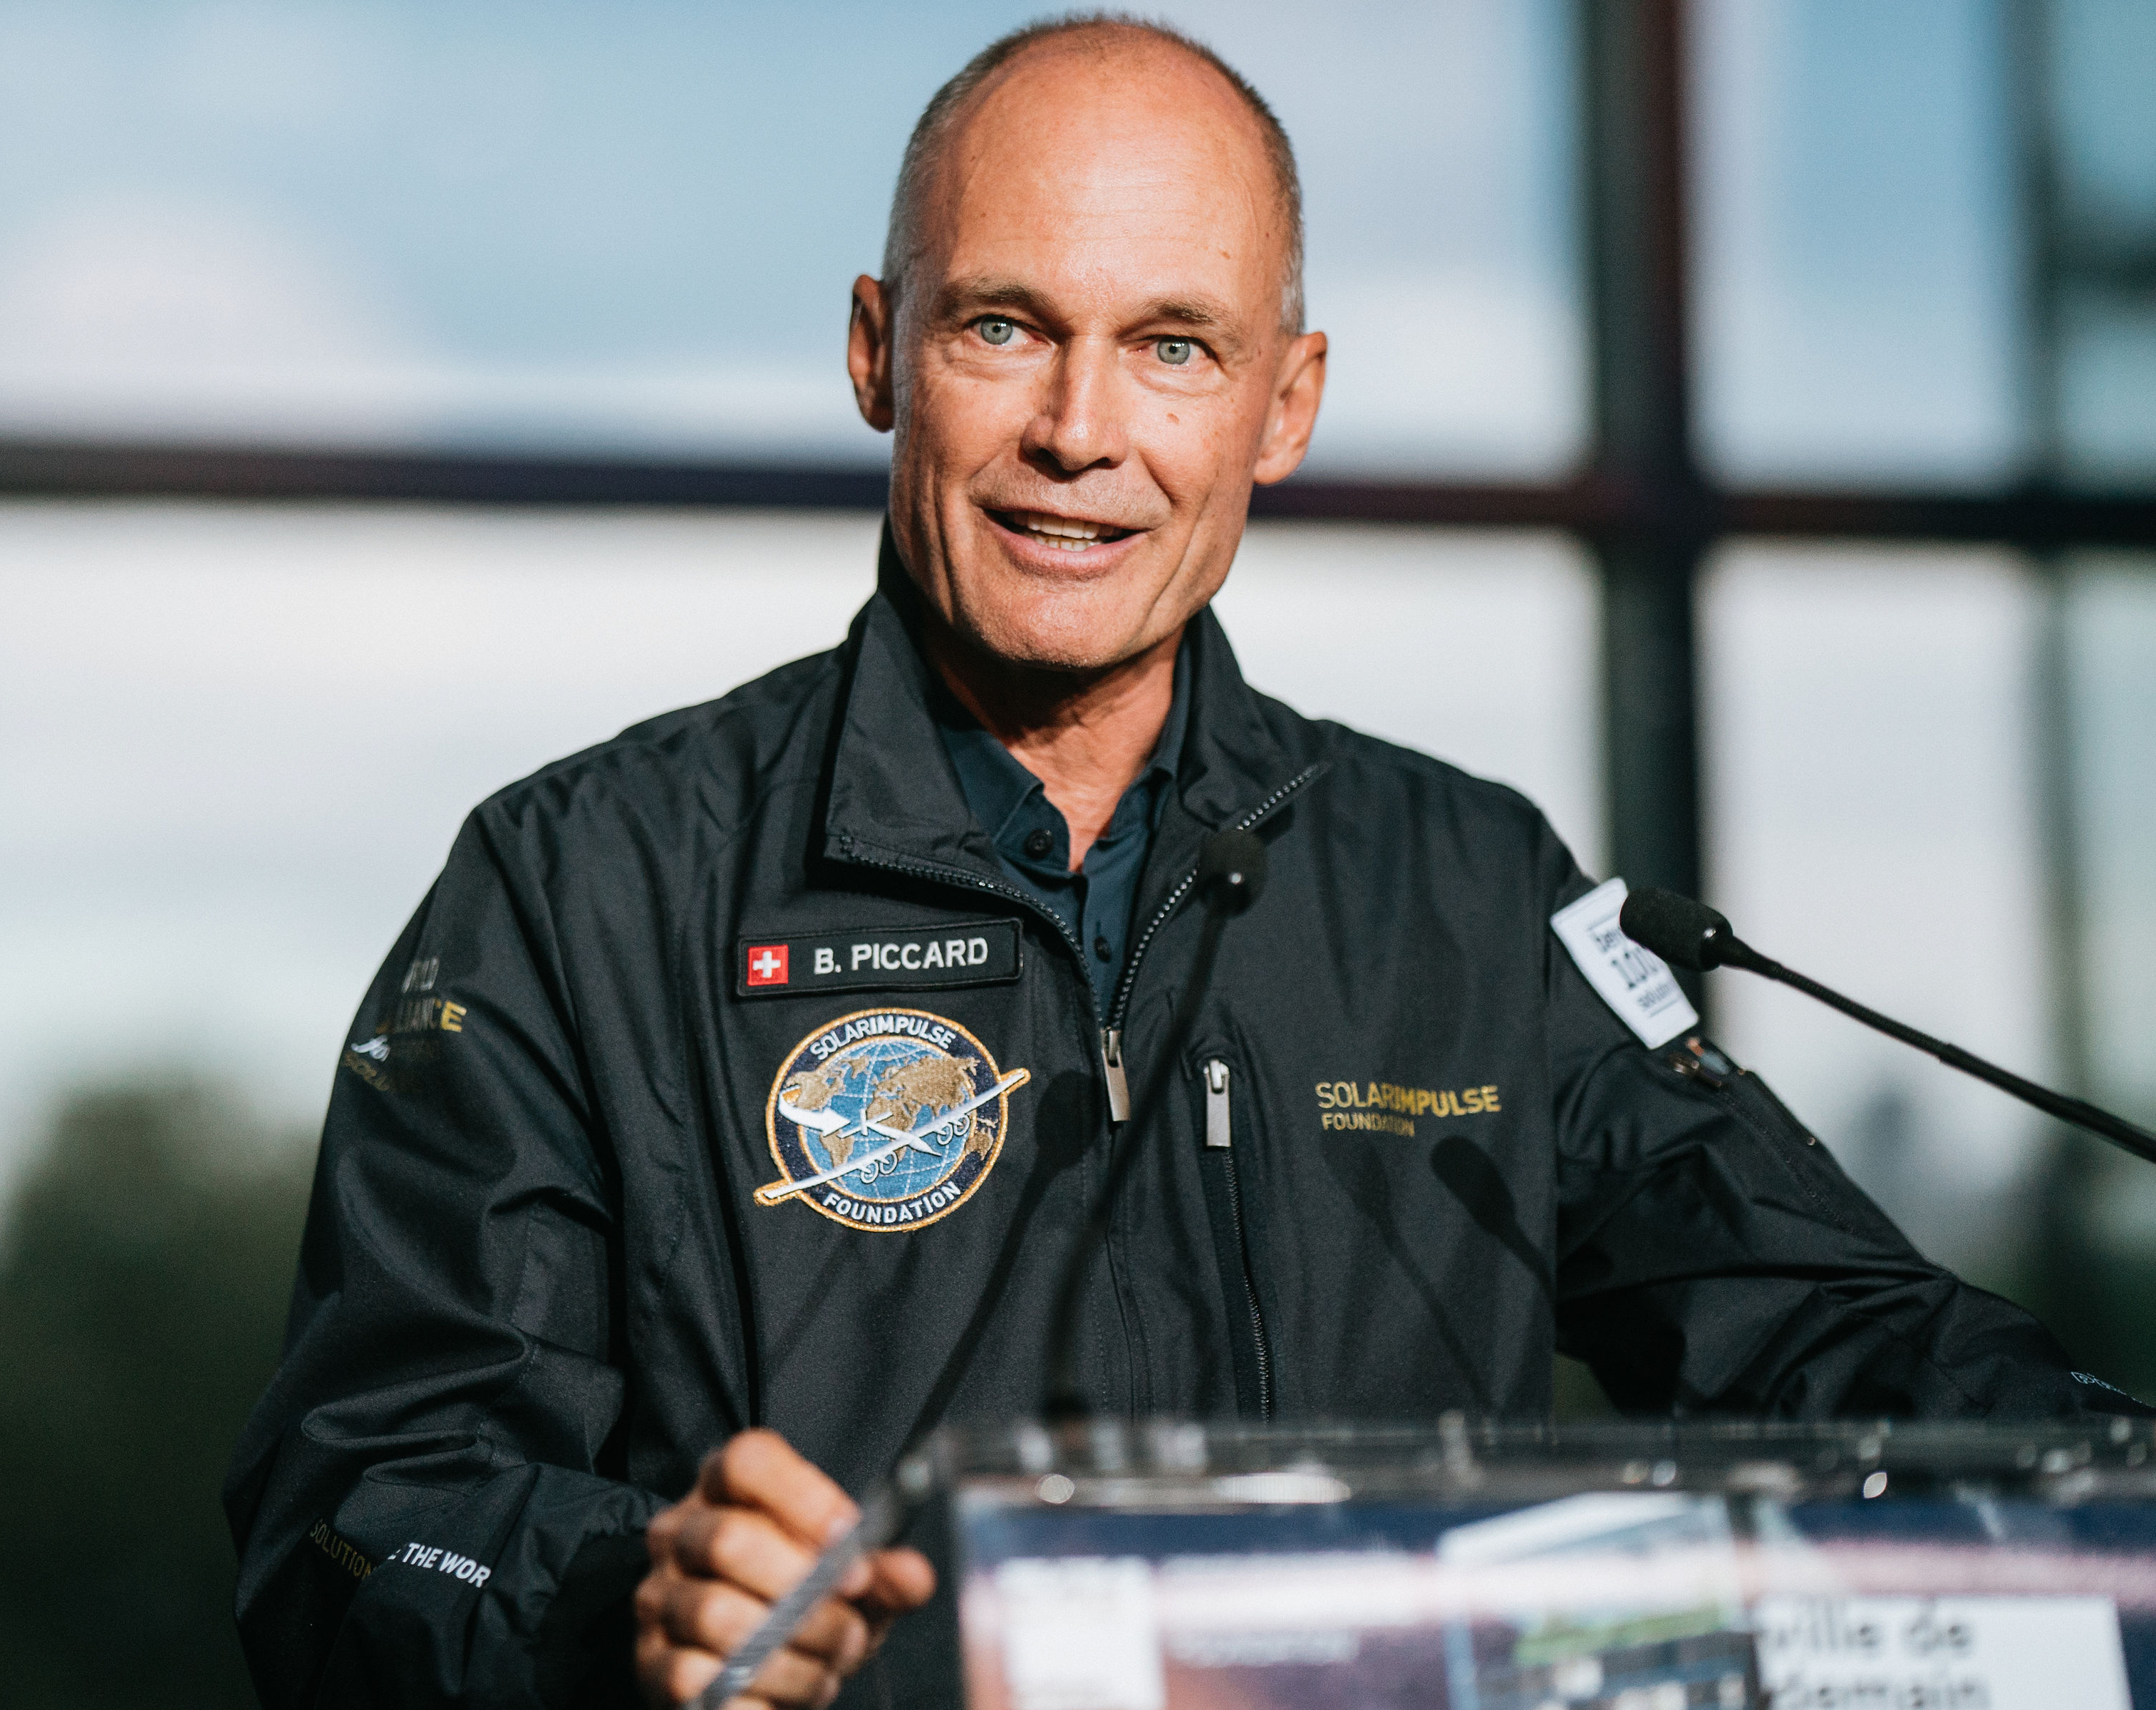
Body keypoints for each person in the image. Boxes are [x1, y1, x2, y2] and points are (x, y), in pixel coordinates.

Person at [225, 16, 2140, 1710]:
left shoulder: (1461, 886)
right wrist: (613, 1602)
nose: (1081, 431)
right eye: (1005, 327)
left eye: (1171, 346)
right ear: (878, 351)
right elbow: (359, 1523)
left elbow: (1824, 1330)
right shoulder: (583, 888)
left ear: (1281, 407)